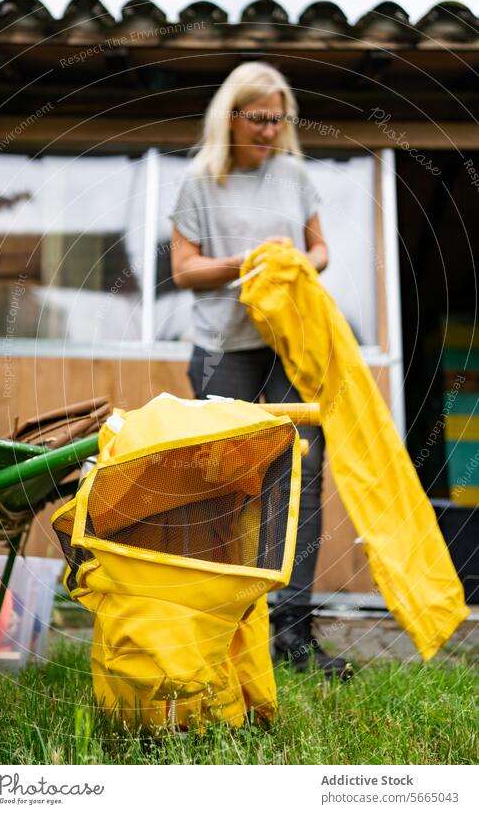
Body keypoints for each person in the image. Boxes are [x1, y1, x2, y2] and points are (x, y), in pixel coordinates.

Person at [169, 61, 348, 677]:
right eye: (260, 119)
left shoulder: (294, 176)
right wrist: (244, 264)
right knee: (227, 483)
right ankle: (225, 627)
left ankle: (295, 635)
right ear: (233, 115)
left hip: (290, 346)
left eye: (279, 119)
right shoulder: (198, 181)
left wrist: (299, 263)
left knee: (300, 477)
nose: (271, 131)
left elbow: (321, 248)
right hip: (225, 350)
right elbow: (184, 270)